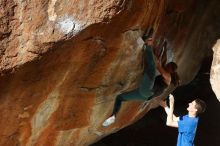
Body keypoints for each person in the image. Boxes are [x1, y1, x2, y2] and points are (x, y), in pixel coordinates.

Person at [102, 30, 180, 127]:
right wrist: (153, 53)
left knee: (151, 67)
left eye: (167, 65)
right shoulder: (168, 76)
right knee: (120, 97)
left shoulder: (168, 77)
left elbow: (157, 66)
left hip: (148, 91)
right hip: (144, 96)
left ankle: (148, 41)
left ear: (170, 69)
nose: (166, 66)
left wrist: (151, 49)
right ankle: (113, 115)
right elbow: (157, 63)